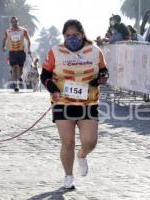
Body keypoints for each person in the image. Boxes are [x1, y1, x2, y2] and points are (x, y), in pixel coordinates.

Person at [40, 19, 109, 189]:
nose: (71, 38)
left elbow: (104, 71)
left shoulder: (94, 51)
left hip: (89, 102)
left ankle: (82, 155)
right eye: (67, 35)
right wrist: (53, 89)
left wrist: (102, 78)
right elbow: (45, 75)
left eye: (75, 35)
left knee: (90, 141)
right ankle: (68, 176)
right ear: (63, 36)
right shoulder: (55, 52)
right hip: (63, 102)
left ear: (82, 34)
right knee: (68, 142)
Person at [3, 16, 31, 92]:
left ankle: (18, 77)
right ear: (11, 22)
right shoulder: (8, 31)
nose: (14, 23)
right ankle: (16, 85)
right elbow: (4, 39)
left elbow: (28, 40)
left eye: (15, 21)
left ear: (18, 22)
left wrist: (29, 49)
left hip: (21, 52)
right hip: (12, 52)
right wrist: (4, 47)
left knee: (20, 70)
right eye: (12, 22)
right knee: (14, 68)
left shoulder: (23, 31)